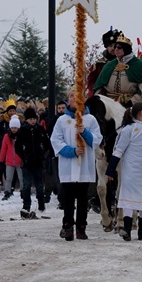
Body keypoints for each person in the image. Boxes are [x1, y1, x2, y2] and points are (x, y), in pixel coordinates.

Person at [50, 90, 103, 241]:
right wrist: (72, 151)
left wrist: (84, 132)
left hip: (84, 166)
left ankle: (81, 227)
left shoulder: (90, 119)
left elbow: (97, 140)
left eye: (76, 96)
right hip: (68, 166)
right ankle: (67, 226)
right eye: (71, 96)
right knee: (67, 198)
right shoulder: (62, 120)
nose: (73, 99)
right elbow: (56, 141)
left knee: (82, 198)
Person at [106, 102, 142, 241]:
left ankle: (141, 232)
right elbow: (119, 150)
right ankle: (128, 230)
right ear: (141, 112)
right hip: (131, 170)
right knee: (130, 200)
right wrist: (110, 170)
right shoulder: (127, 130)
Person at [92, 32, 142, 125]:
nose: (116, 50)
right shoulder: (109, 66)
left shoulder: (138, 66)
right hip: (109, 106)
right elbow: (98, 88)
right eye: (115, 47)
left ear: (126, 49)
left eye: (119, 48)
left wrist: (132, 102)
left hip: (132, 106)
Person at [15, 107, 52, 217]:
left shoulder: (40, 129)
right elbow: (17, 148)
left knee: (40, 186)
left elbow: (47, 145)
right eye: (30, 119)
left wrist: (43, 156)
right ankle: (26, 205)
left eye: (34, 119)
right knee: (26, 185)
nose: (33, 121)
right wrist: (24, 157)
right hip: (26, 163)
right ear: (26, 120)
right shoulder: (22, 131)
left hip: (38, 162)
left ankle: (41, 204)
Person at [87, 28, 119, 97]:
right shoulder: (98, 65)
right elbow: (91, 82)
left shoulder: (125, 63)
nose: (113, 48)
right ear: (106, 47)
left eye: (115, 46)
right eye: (110, 46)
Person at [0, 115, 23, 201]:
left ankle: (23, 192)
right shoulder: (6, 136)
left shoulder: (21, 136)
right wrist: (1, 160)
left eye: (15, 127)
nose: (14, 129)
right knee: (8, 178)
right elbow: (3, 149)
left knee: (21, 178)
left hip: (20, 161)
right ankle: (7, 191)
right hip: (9, 161)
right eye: (12, 127)